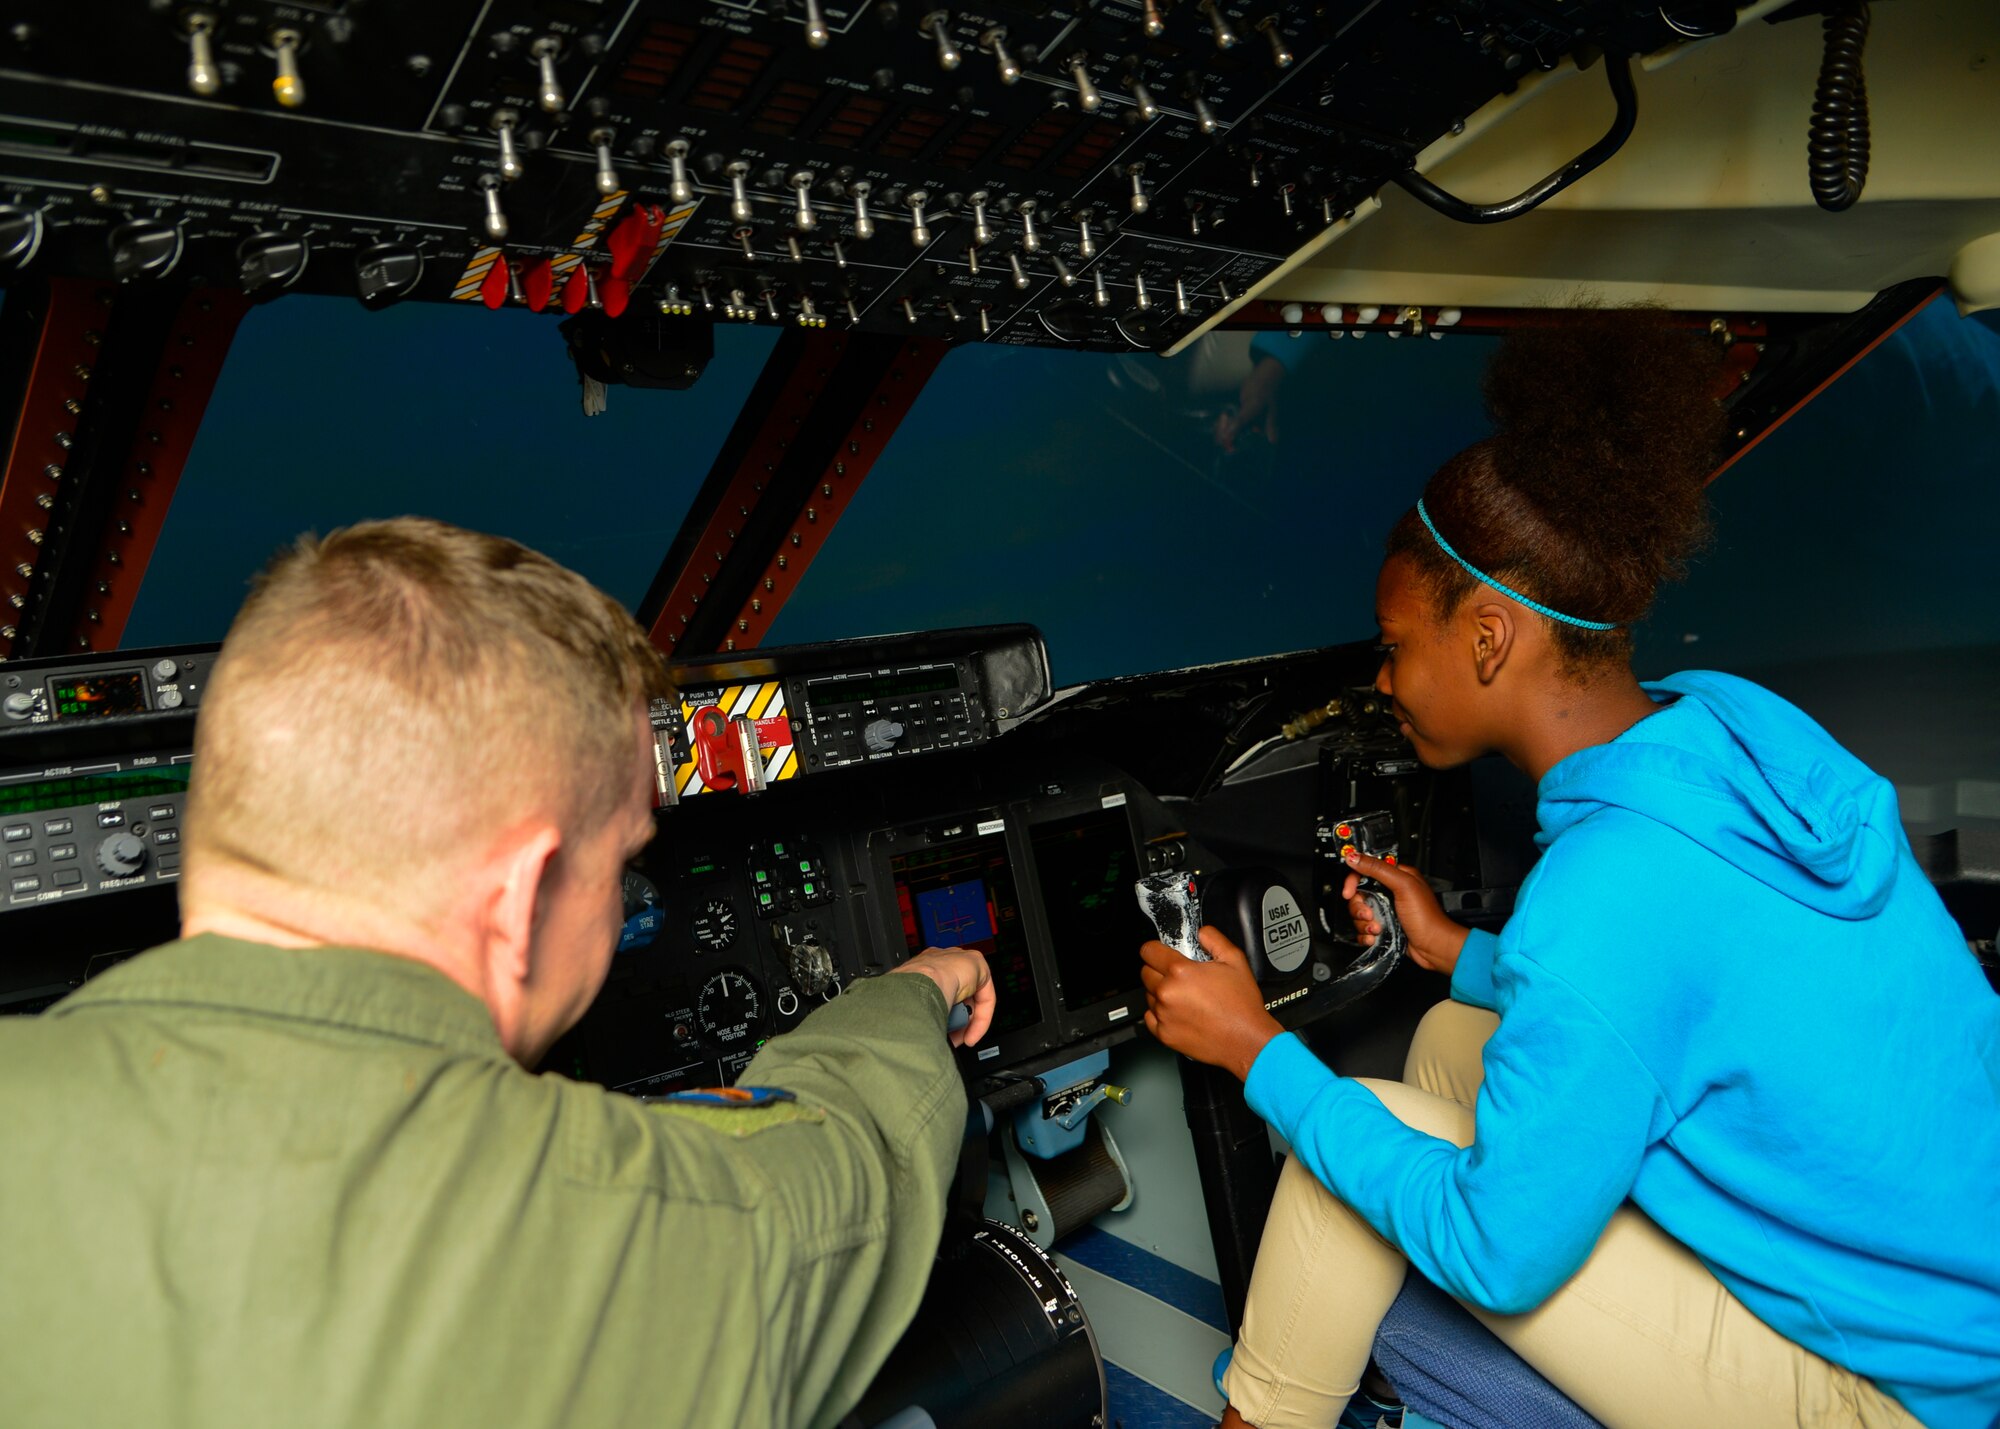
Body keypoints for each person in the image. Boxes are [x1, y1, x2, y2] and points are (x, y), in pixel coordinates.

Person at [1141, 314, 2000, 1429]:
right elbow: (1682, 989)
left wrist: (1255, 1048)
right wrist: (1456, 952)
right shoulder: (1726, 728)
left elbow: (1499, 1256)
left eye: (1393, 643)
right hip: (1957, 1299)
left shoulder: (1603, 892)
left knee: (1333, 1150)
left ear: (1489, 639)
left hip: (1904, 1399)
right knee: (1453, 1040)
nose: (1384, 679)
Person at [0, 518, 995, 1429]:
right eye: (620, 865)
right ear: (521, 895)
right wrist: (921, 985)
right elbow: (852, 1164)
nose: (620, 903)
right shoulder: (665, 1227)